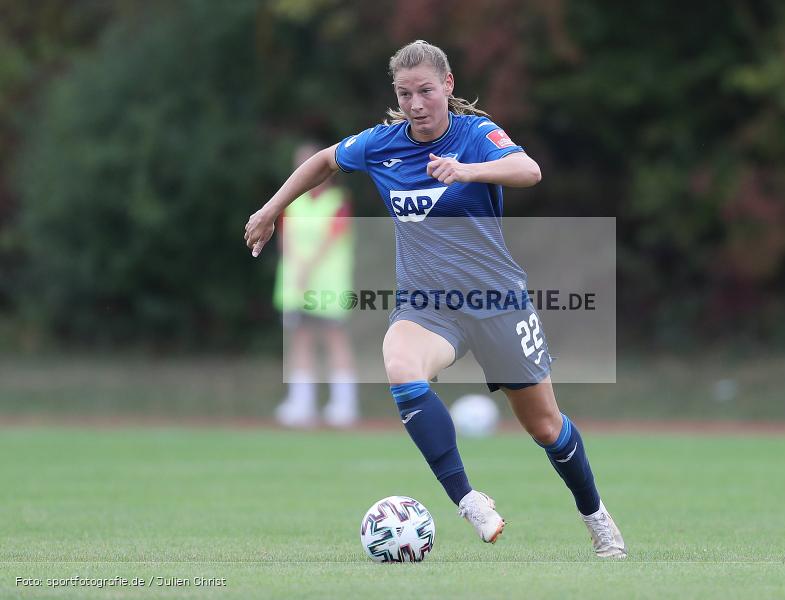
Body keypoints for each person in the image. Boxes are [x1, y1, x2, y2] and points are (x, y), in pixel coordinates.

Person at [245, 40, 626, 558]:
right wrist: (272, 209)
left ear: (447, 85)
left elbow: (528, 170)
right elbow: (324, 161)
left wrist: (468, 170)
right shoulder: (382, 144)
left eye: (425, 91)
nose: (416, 104)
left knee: (545, 427)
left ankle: (596, 517)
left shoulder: (475, 134)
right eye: (405, 94)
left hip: (497, 303)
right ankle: (468, 500)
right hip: (429, 306)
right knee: (400, 364)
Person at [273, 143, 358, 428]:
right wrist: (297, 268)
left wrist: (307, 268)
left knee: (334, 339)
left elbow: (333, 236)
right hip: (296, 284)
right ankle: (302, 403)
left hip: (328, 285)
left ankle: (344, 404)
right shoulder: (292, 202)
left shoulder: (337, 201)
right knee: (300, 340)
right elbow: (284, 237)